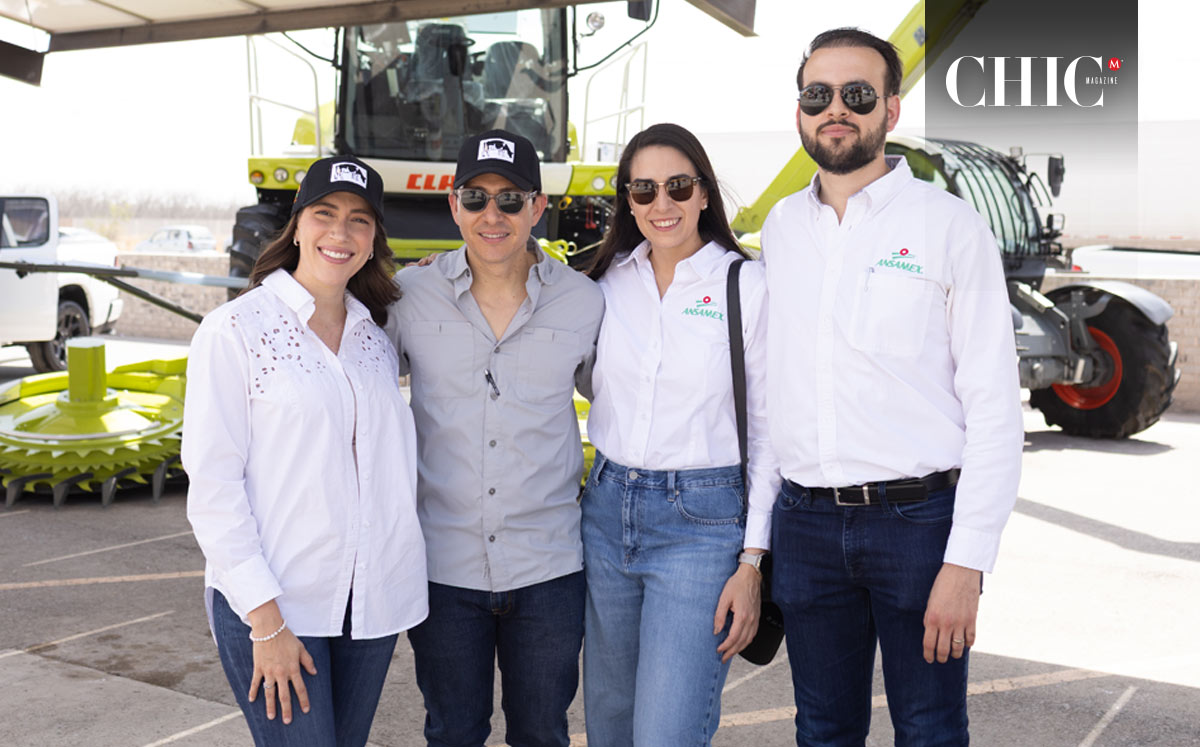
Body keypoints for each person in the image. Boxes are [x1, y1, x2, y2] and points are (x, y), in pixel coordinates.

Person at [761, 28, 1024, 745]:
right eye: (818, 95)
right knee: (821, 729)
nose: (835, 109)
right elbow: (768, 399)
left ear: (892, 111)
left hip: (919, 527)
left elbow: (997, 410)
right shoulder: (781, 231)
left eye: (857, 94)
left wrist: (967, 559)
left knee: (932, 729)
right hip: (807, 525)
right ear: (800, 112)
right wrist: (760, 545)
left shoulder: (948, 226)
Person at [183, 155, 427, 746]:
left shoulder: (375, 339)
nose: (340, 233)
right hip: (276, 604)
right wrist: (265, 622)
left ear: (374, 240)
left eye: (360, 220)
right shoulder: (235, 330)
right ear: (296, 225)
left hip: (367, 605)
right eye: (325, 214)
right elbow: (214, 486)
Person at [384, 129, 603, 747]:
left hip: (549, 571)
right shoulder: (408, 296)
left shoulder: (585, 303)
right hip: (444, 569)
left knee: (542, 734)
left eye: (511, 200)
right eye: (476, 197)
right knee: (452, 733)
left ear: (537, 208)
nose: (492, 214)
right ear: (453, 205)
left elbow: (630, 402)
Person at [581, 122, 779, 746]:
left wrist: (752, 562)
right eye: (643, 190)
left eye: (677, 186)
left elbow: (772, 433)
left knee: (667, 732)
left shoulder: (747, 286)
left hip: (702, 524)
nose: (660, 204)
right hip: (606, 511)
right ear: (626, 200)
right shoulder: (604, 283)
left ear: (703, 194)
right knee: (608, 727)